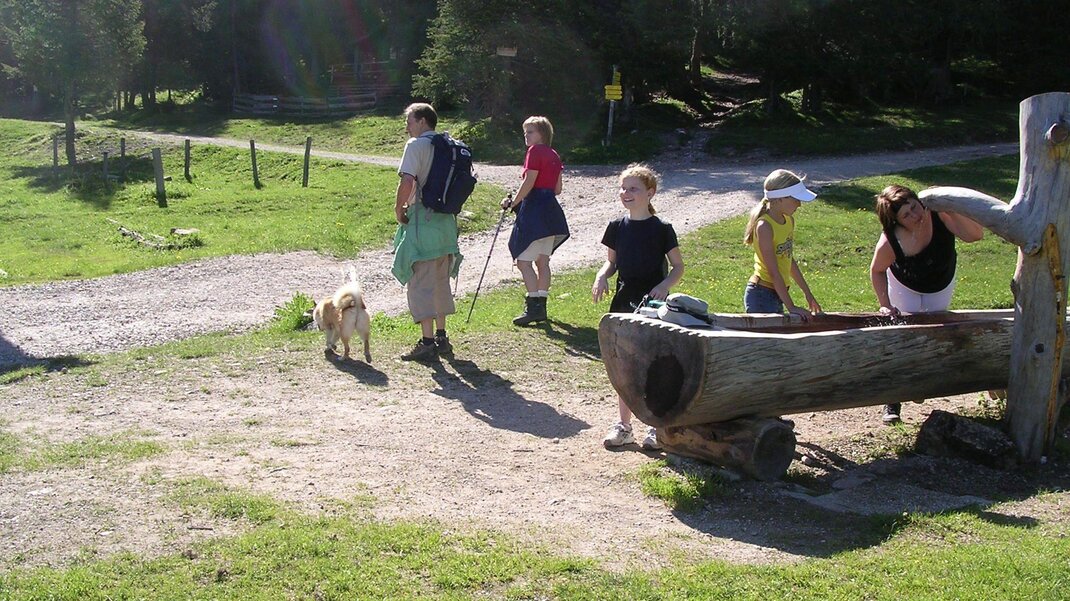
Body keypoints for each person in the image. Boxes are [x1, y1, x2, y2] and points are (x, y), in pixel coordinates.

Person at [869, 184, 984, 423]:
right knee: (903, 334)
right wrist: (885, 304)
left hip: (940, 281)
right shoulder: (891, 240)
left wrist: (950, 210)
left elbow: (975, 235)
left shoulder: (939, 215)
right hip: (905, 284)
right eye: (906, 215)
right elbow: (877, 270)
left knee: (936, 334)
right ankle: (893, 401)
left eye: (914, 206)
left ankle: (920, 384)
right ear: (897, 222)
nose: (915, 215)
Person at [592, 164, 684, 450]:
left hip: (654, 304)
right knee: (624, 365)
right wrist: (601, 276)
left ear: (650, 192)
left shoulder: (662, 229)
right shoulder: (616, 227)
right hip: (624, 301)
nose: (626, 193)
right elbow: (611, 262)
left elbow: (678, 267)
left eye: (633, 188)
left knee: (653, 365)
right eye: (623, 188)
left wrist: (665, 286)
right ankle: (624, 427)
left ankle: (656, 428)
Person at [391, 103, 463, 362]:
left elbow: (408, 181)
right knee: (440, 281)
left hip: (424, 221)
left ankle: (427, 342)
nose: (407, 127)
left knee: (420, 283)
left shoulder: (416, 146)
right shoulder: (449, 146)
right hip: (446, 224)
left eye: (409, 121)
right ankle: (442, 337)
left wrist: (398, 208)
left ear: (422, 121)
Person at [502, 116, 570, 326]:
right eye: (525, 132)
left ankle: (533, 307)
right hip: (551, 211)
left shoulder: (534, 151)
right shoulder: (554, 154)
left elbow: (529, 182)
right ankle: (541, 305)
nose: (526, 135)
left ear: (542, 133)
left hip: (534, 211)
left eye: (530, 131)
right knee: (543, 261)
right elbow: (557, 189)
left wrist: (513, 203)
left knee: (523, 262)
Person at [742, 169, 822, 319]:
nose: (799, 204)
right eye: (796, 199)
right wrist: (791, 307)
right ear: (780, 199)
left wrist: (808, 293)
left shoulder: (789, 220)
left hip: (778, 293)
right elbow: (773, 272)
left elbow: (788, 259)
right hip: (761, 295)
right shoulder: (764, 227)